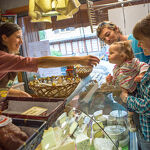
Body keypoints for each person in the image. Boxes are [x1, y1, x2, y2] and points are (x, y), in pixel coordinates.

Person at [0, 22, 100, 97]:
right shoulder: (3, 58)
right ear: (4, 38)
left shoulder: (8, 59)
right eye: (18, 37)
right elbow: (41, 62)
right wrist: (78, 60)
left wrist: (20, 93)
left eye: (21, 37)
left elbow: (2, 89)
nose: (21, 42)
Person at [120, 15, 150, 150]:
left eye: (141, 40)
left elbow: (148, 106)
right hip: (144, 129)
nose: (138, 45)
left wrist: (127, 99)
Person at [106, 40, 149, 132]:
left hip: (136, 90)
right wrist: (110, 81)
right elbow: (116, 82)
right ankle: (131, 120)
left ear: (122, 55)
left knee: (133, 110)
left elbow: (144, 65)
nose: (108, 55)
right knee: (129, 109)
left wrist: (141, 74)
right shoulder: (115, 69)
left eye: (111, 53)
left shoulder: (132, 62)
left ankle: (132, 121)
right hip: (125, 92)